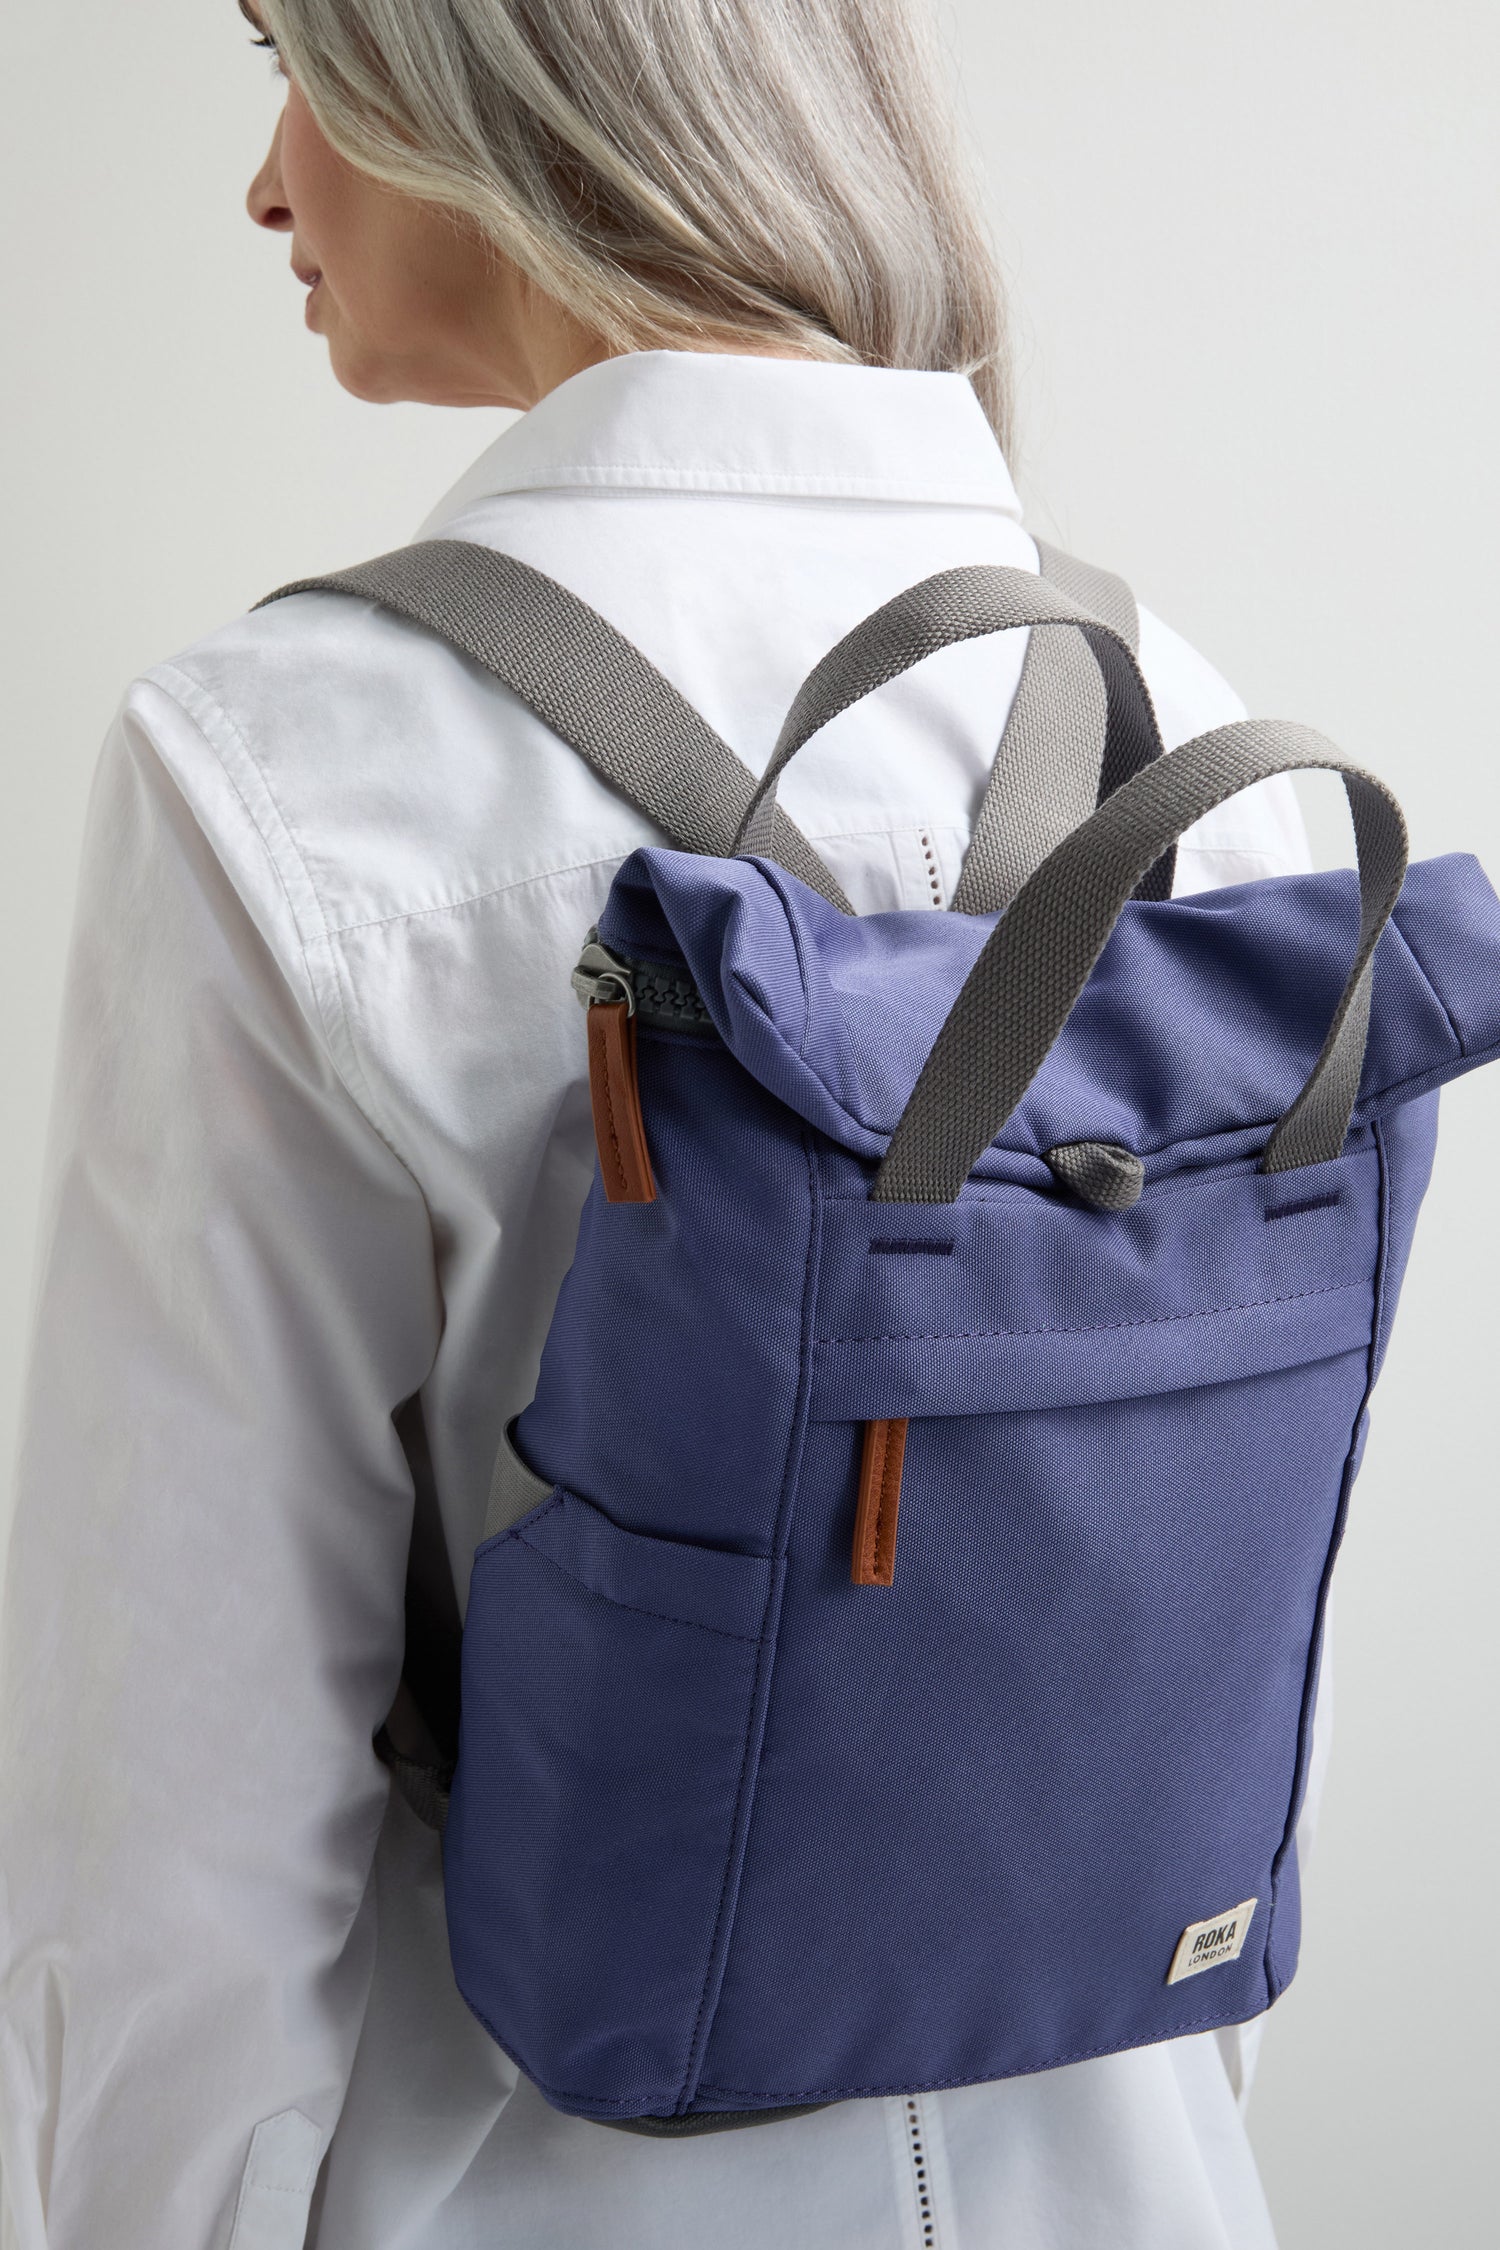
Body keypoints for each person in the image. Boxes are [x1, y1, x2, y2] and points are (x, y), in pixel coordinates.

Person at [0, 3, 1315, 2244]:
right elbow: (1190, 1696)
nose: (264, 183)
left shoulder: (284, 765)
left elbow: (174, 1843)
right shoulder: (1197, 738)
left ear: (485, 88)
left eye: (296, 67)